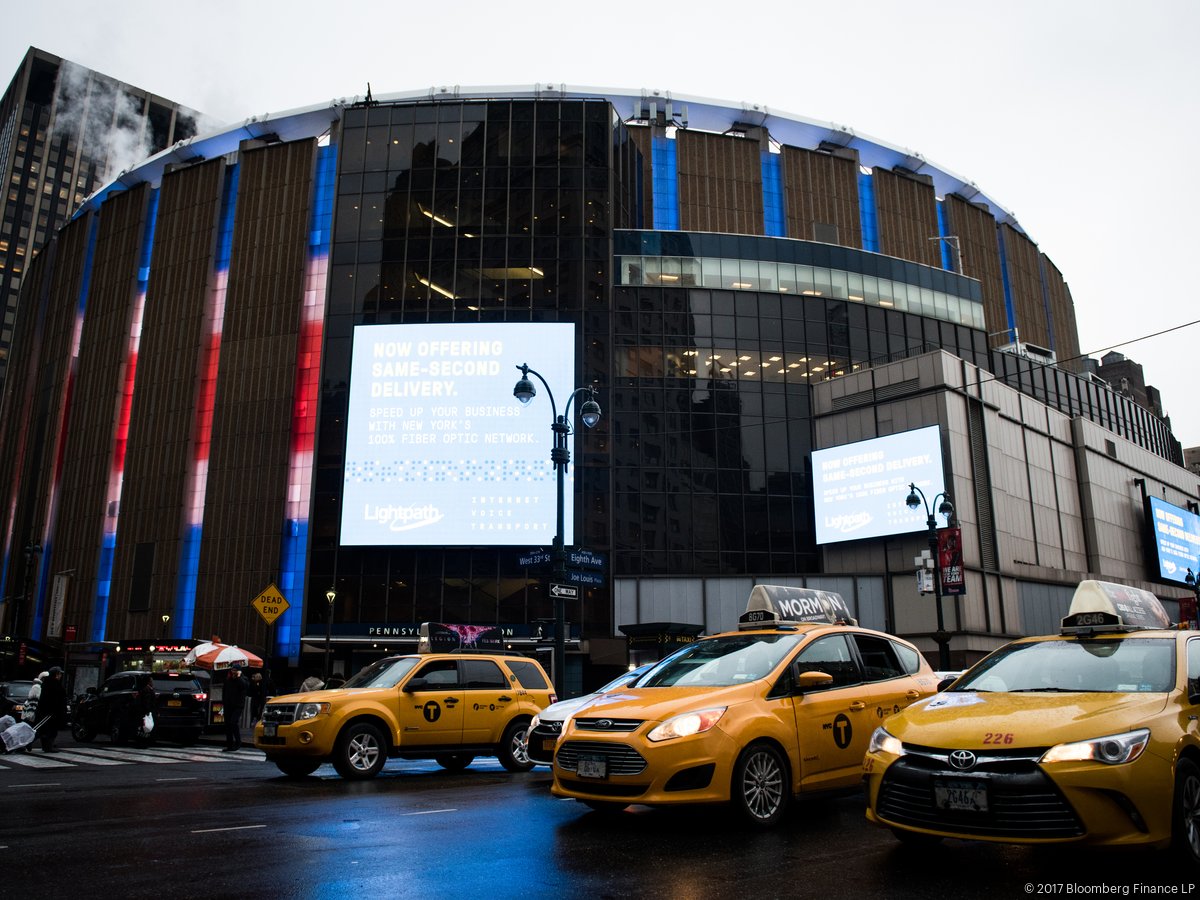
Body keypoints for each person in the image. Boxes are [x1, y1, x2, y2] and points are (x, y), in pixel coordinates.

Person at [37, 667, 67, 752]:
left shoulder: (47, 683)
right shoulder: (54, 685)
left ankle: (48, 745)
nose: (60, 676)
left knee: (47, 729)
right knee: (50, 729)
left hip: (48, 711)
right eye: (59, 674)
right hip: (52, 711)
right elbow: (56, 699)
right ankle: (48, 746)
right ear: (56, 675)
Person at [221, 666, 250, 751]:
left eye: (235, 670)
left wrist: (238, 677)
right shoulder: (228, 679)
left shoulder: (244, 679)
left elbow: (244, 686)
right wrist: (224, 702)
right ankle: (229, 744)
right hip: (228, 705)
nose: (233, 672)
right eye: (232, 670)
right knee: (228, 725)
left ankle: (238, 742)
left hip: (238, 705)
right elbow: (224, 691)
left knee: (233, 722)